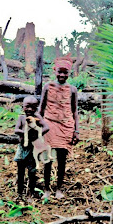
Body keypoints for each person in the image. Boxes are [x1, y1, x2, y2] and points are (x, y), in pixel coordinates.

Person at [39, 55, 80, 200]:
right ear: (55, 71)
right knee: (48, 159)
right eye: (60, 72)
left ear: (69, 74)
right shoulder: (47, 87)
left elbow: (75, 111)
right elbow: (41, 109)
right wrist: (39, 126)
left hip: (66, 127)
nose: (62, 75)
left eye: (65, 72)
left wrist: (76, 130)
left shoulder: (73, 90)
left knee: (62, 159)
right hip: (49, 126)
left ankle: (59, 188)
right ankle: (46, 189)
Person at [14, 96, 50, 197]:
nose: (30, 109)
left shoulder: (37, 118)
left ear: (36, 108)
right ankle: (20, 193)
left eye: (33, 107)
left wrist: (38, 133)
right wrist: (25, 132)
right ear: (23, 107)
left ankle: (30, 193)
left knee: (32, 172)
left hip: (33, 149)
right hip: (22, 149)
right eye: (27, 106)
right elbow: (16, 130)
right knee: (20, 171)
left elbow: (47, 127)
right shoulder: (21, 118)